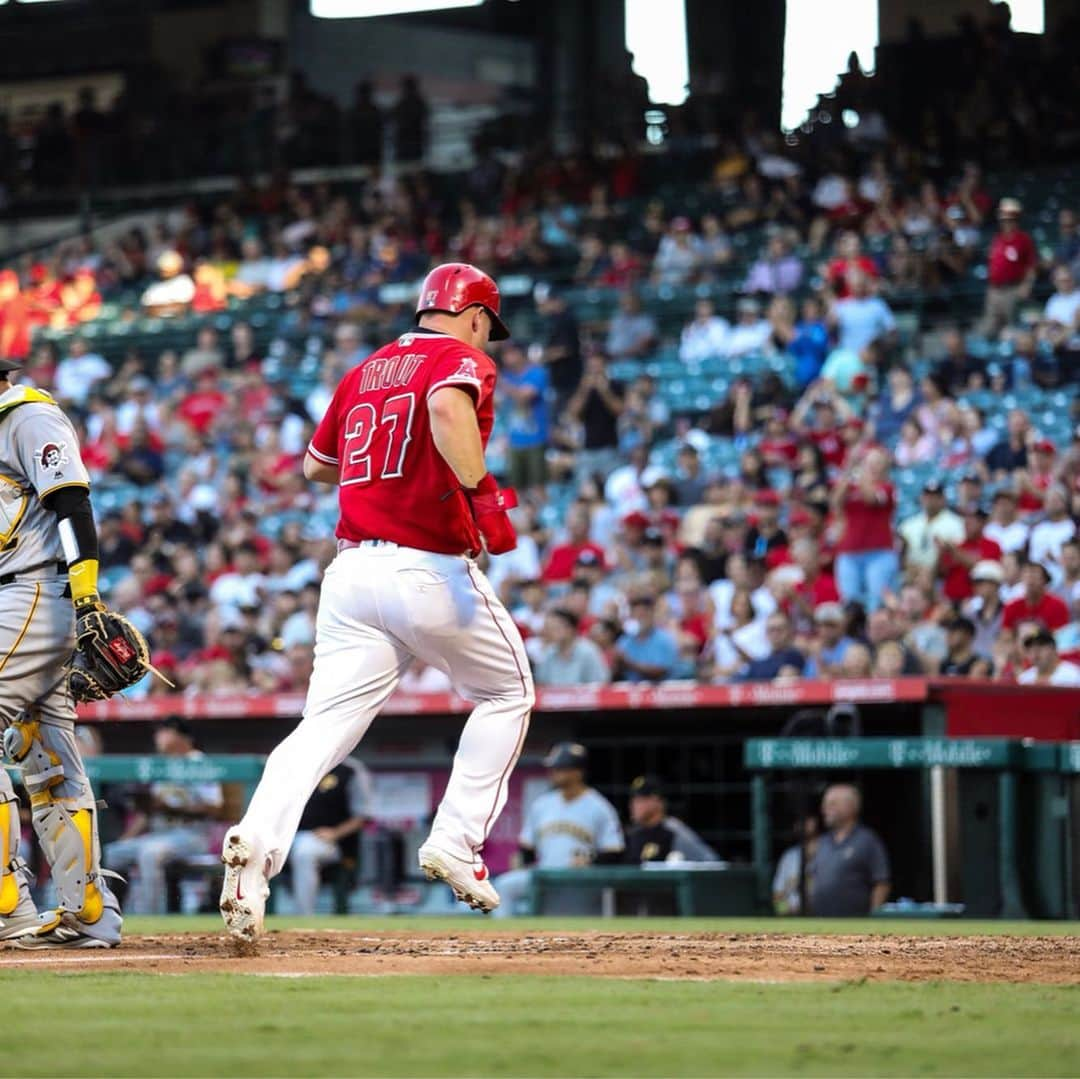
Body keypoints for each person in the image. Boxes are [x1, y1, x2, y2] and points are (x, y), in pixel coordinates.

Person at [220, 263, 535, 944]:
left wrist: (385, 460)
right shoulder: (460, 357)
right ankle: (455, 838)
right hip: (426, 566)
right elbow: (448, 408)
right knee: (507, 692)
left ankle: (255, 846)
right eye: (488, 328)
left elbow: (314, 464)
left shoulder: (365, 369)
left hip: (351, 572)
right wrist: (483, 491)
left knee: (320, 728)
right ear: (477, 317)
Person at [0, 354, 136, 948]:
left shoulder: (26, 415)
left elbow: (72, 502)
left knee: (40, 753)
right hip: (21, 598)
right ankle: (86, 912)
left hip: (33, 593)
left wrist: (87, 601)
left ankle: (7, 908)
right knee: (45, 756)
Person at [104, 718, 224, 915]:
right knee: (112, 854)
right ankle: (113, 914)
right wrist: (128, 836)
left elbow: (214, 807)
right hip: (160, 835)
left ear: (181, 737)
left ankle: (151, 919)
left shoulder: (198, 762)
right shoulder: (163, 764)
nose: (158, 737)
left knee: (150, 853)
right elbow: (149, 812)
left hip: (192, 835)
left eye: (164, 732)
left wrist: (172, 808)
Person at [492, 743, 624, 918]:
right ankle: (504, 937)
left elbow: (615, 850)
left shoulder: (599, 807)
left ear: (578, 772)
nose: (553, 772)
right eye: (553, 768)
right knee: (505, 885)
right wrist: (521, 860)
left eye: (560, 768)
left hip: (581, 879)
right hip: (545, 876)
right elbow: (527, 848)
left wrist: (590, 861)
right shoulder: (542, 804)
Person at [286, 756, 372, 916]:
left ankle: (303, 916)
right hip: (288, 838)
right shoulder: (295, 766)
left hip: (329, 842)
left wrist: (335, 833)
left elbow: (362, 815)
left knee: (304, 852)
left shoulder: (349, 769)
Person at [832, 448, 898, 612]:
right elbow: (835, 503)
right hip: (849, 551)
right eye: (869, 463)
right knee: (849, 601)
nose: (873, 467)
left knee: (877, 599)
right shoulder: (852, 487)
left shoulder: (887, 488)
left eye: (877, 463)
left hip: (879, 551)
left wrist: (860, 476)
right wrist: (847, 472)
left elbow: (871, 499)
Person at [809, 784, 890, 917]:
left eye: (832, 804)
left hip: (856, 922)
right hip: (820, 921)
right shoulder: (821, 842)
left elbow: (882, 882)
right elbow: (812, 879)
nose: (824, 809)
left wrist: (874, 916)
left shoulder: (867, 840)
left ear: (850, 807)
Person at [624, 775, 718, 863]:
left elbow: (711, 862)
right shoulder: (633, 833)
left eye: (639, 800)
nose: (633, 805)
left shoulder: (673, 831)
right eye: (633, 800)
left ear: (657, 801)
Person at [981, 198, 1037, 337]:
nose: (1006, 223)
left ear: (1016, 220)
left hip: (1012, 289)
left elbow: (1032, 266)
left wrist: (1026, 285)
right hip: (994, 290)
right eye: (1004, 220)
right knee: (990, 328)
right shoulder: (997, 239)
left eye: (1010, 220)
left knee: (1013, 328)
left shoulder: (1023, 239)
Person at [531, 608, 610, 686]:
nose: (549, 633)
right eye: (548, 628)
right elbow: (541, 684)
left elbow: (600, 685)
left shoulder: (589, 652)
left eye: (554, 628)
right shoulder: (548, 653)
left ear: (570, 629)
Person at [613, 595, 679, 682]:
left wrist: (628, 663)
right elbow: (617, 674)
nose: (641, 618)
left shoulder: (665, 640)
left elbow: (661, 672)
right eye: (638, 615)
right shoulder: (624, 641)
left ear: (652, 614)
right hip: (631, 690)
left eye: (645, 614)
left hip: (661, 691)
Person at [1002, 560, 1070, 632]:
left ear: (1045, 580)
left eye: (1035, 577)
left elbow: (1060, 637)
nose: (1030, 581)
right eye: (1027, 576)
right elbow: (1006, 637)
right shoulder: (1012, 607)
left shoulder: (1057, 606)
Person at [772, 813, 820, 915]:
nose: (803, 824)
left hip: (825, 916)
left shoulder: (830, 853)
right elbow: (776, 897)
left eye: (807, 820)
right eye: (799, 821)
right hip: (793, 917)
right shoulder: (789, 856)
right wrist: (787, 908)